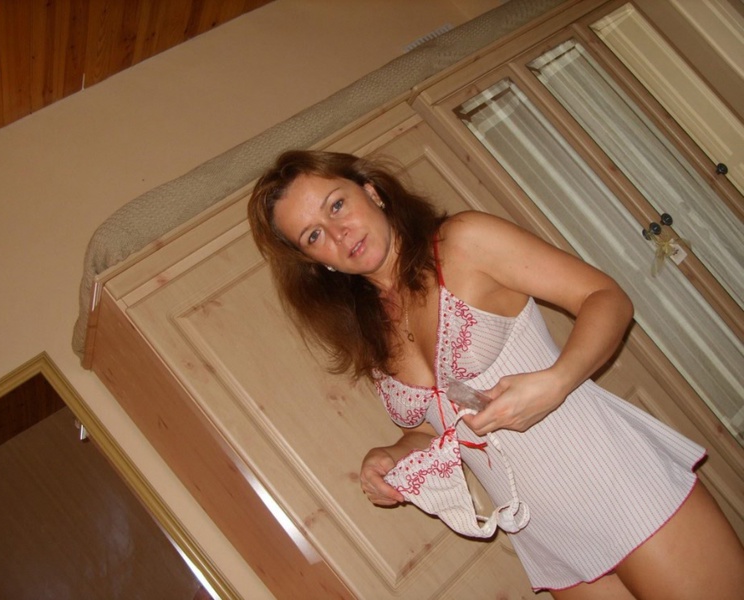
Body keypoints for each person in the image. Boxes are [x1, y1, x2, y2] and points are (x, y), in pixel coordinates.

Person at [247, 149, 744, 599]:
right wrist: (392, 455)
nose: (338, 233)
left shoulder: (463, 241)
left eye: (336, 205)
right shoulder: (369, 332)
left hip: (616, 484)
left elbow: (606, 298)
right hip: (544, 533)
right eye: (314, 235)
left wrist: (556, 382)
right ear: (314, 262)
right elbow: (437, 425)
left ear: (371, 192)